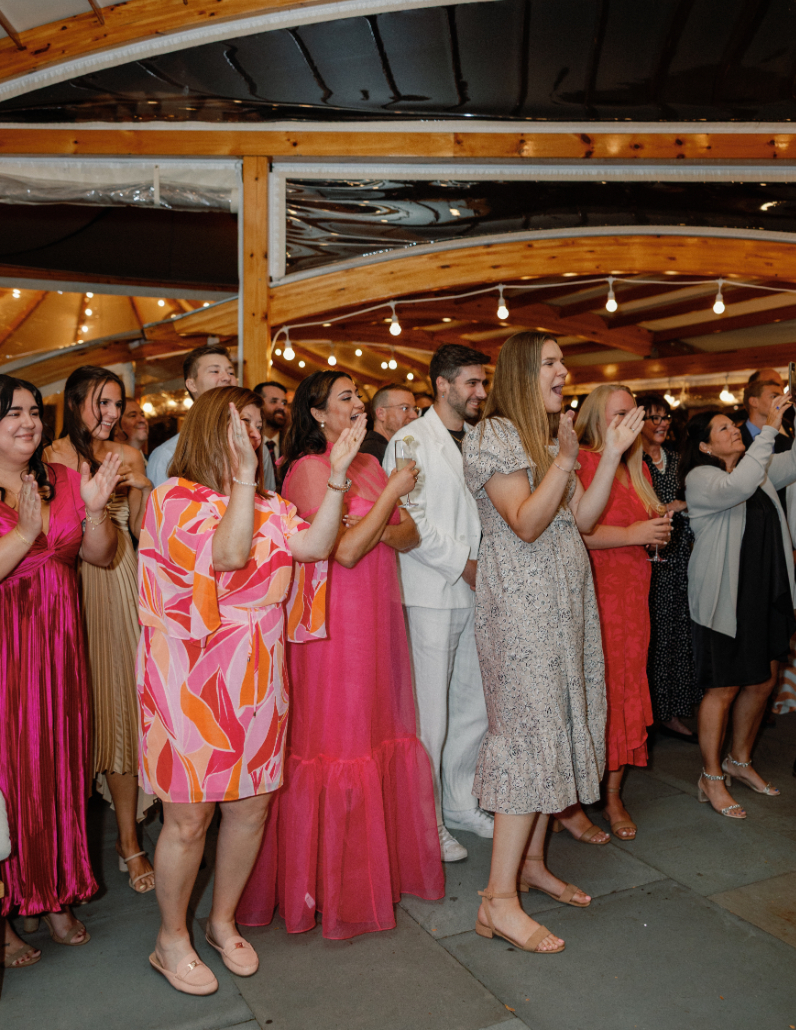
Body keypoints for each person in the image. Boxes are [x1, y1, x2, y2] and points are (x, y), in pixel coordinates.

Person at [138, 386, 366, 995]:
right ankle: (170, 939)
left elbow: (315, 546)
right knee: (189, 819)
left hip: (258, 674)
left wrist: (338, 477)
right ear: (209, 430)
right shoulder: (172, 498)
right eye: (240, 422)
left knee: (250, 808)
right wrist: (243, 480)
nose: (254, 433)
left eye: (256, 424)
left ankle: (221, 921)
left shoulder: (269, 502)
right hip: (189, 676)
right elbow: (231, 552)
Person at [238, 370, 444, 940]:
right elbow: (346, 551)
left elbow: (409, 537)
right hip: (337, 623)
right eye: (346, 397)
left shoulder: (370, 465)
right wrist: (390, 502)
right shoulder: (309, 470)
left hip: (378, 614)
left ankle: (370, 872)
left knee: (377, 733)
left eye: (358, 396)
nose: (358, 404)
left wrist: (373, 519)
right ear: (318, 411)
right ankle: (328, 885)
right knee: (340, 742)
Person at [462, 333, 644, 954]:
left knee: (557, 729)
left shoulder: (542, 438)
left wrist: (610, 454)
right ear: (521, 372)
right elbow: (526, 522)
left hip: (564, 602)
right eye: (551, 362)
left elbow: (582, 520)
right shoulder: (494, 435)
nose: (564, 371)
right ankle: (497, 900)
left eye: (563, 361)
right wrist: (566, 461)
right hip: (522, 611)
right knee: (527, 738)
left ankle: (533, 866)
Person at [0, 376, 119, 965]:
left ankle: (53, 893)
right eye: (12, 413)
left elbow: (101, 554)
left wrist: (95, 511)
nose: (28, 422)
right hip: (7, 652)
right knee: (9, 775)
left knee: (57, 767)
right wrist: (25, 531)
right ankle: (4, 911)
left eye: (33, 412)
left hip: (61, 647)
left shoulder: (64, 479)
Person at [46, 367, 156, 894]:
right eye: (102, 403)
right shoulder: (49, 456)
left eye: (118, 404)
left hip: (117, 580)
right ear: (74, 402)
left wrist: (144, 491)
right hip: (63, 583)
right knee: (69, 712)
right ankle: (59, 853)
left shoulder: (129, 454)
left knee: (120, 709)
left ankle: (128, 840)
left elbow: (141, 531)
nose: (112, 414)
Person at [383, 346, 492, 863]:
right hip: (431, 588)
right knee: (431, 714)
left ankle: (460, 800)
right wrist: (466, 565)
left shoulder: (481, 437)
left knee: (474, 704)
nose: (480, 392)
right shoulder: (409, 440)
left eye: (482, 383)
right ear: (442, 385)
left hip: (481, 588)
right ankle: (426, 819)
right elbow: (410, 519)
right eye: (471, 383)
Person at [681, 399, 796, 819]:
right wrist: (769, 428)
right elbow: (738, 487)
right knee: (723, 688)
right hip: (723, 599)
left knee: (763, 681)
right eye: (723, 428)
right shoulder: (701, 478)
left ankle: (739, 760)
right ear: (705, 446)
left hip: (762, 594)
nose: (734, 429)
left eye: (734, 425)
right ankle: (711, 776)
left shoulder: (758, 470)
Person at [574, 385, 672, 842]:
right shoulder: (578, 461)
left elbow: (644, 527)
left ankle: (612, 794)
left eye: (634, 413)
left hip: (633, 594)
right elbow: (578, 533)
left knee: (627, 685)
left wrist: (652, 533)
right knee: (593, 690)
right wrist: (635, 532)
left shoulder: (639, 468)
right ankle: (575, 799)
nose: (630, 421)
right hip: (593, 594)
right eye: (619, 414)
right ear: (595, 417)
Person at [638, 393, 701, 742]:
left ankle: (672, 711)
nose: (662, 424)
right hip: (647, 559)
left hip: (680, 560)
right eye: (654, 417)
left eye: (665, 417)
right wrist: (665, 507)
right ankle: (649, 715)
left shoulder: (678, 460)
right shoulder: (632, 461)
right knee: (653, 639)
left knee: (678, 635)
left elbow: (697, 498)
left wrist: (683, 504)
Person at [146, 346, 237, 488]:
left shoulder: (252, 444)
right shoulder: (169, 456)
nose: (227, 378)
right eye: (215, 371)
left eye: (231, 372)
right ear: (192, 384)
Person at [361, 384, 418, 463]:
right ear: (381, 414)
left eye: (415, 409)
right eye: (405, 408)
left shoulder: (393, 448)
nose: (415, 416)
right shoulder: (370, 456)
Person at [254, 380, 289, 491]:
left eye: (284, 403)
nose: (281, 407)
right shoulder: (249, 443)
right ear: (257, 405)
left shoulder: (293, 444)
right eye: (274, 401)